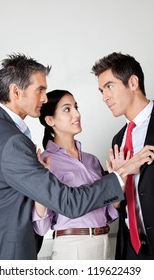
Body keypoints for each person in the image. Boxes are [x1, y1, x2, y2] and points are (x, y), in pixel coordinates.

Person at [0, 53, 153, 260]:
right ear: (16, 92)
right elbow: (66, 204)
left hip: (108, 244)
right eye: (40, 90)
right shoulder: (15, 143)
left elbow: (110, 210)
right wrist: (120, 174)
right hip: (42, 251)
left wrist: (117, 184)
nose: (44, 97)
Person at [32, 89, 121, 260]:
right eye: (67, 109)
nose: (77, 114)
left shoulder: (92, 161)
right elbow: (41, 228)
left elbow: (109, 214)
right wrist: (40, 182)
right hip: (73, 247)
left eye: (76, 107)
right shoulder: (45, 162)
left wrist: (117, 180)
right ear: (50, 120)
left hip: (104, 242)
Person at [92, 51, 154, 260]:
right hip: (131, 250)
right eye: (101, 90)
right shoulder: (117, 141)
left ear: (133, 82)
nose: (104, 97)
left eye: (109, 86)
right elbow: (119, 202)